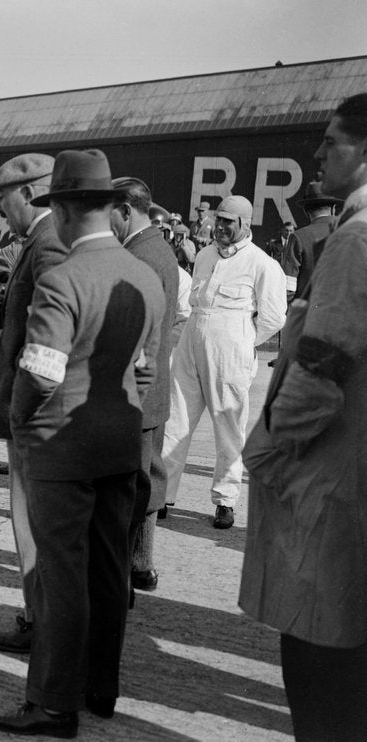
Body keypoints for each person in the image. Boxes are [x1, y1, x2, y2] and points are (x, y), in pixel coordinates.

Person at [0, 149, 164, 737]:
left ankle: (54, 703)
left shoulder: (63, 279)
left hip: (61, 444)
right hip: (119, 441)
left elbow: (40, 371)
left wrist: (23, 423)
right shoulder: (144, 274)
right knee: (110, 570)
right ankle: (100, 687)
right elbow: (144, 371)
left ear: (61, 209)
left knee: (62, 577)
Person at [239, 92, 367, 741]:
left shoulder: (356, 237)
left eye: (332, 141)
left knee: (318, 668)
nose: (318, 153)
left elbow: (320, 370)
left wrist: (262, 449)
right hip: (351, 478)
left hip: (326, 485)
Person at [0, 153, 69, 655]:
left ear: (28, 193)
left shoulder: (48, 245)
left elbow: (47, 339)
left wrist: (22, 408)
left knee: (31, 523)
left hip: (36, 412)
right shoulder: (45, 240)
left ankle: (40, 622)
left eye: (4, 204)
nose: (1, 216)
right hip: (40, 409)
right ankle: (44, 618)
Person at [160, 194, 287, 529]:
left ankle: (225, 500)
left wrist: (242, 342)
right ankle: (162, 495)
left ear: (245, 224)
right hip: (191, 341)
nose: (220, 227)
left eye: (228, 222)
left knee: (228, 426)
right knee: (176, 419)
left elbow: (273, 318)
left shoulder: (263, 264)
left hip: (231, 348)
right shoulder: (203, 255)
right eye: (219, 220)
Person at [109, 177, 179, 596]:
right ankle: (139, 565)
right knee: (146, 476)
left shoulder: (143, 255)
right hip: (150, 388)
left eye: (109, 213)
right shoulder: (153, 248)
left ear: (125, 210)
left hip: (136, 389)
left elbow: (132, 331)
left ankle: (128, 570)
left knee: (133, 484)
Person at [292, 180, 343, 297]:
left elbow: (288, 288)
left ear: (306, 210)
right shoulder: (349, 232)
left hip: (308, 311)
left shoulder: (298, 237)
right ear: (333, 208)